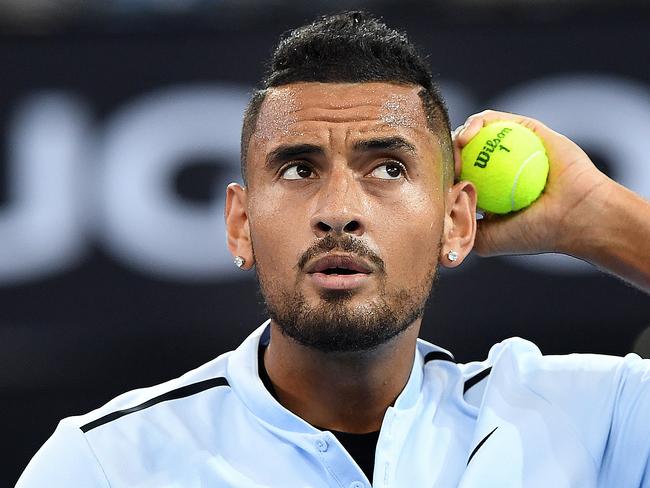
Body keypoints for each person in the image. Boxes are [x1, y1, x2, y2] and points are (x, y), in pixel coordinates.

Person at [16, 11, 650, 488]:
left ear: (457, 221)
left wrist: (594, 218)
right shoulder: (105, 466)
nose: (339, 210)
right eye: (297, 169)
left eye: (388, 168)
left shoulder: (597, 423)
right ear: (240, 224)